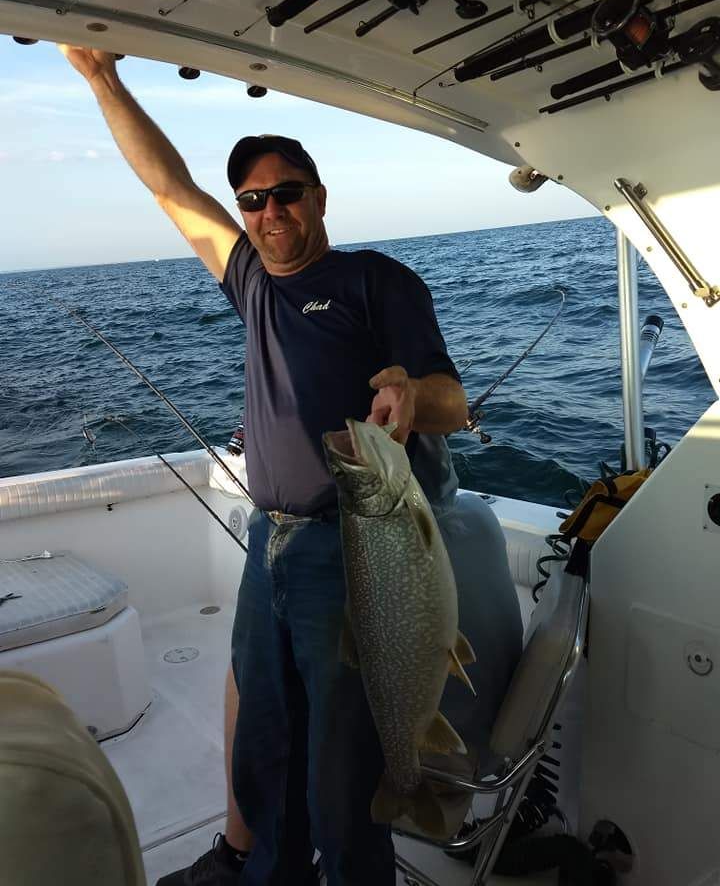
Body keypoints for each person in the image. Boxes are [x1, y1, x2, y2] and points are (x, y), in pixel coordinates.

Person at [60, 44, 522, 886]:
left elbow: (456, 400)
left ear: (317, 196)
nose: (267, 211)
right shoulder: (252, 282)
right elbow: (169, 189)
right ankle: (268, 871)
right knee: (266, 743)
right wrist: (101, 78)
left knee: (343, 764)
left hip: (355, 552)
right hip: (264, 547)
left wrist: (415, 394)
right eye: (251, 200)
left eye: (284, 193)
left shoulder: (376, 282)